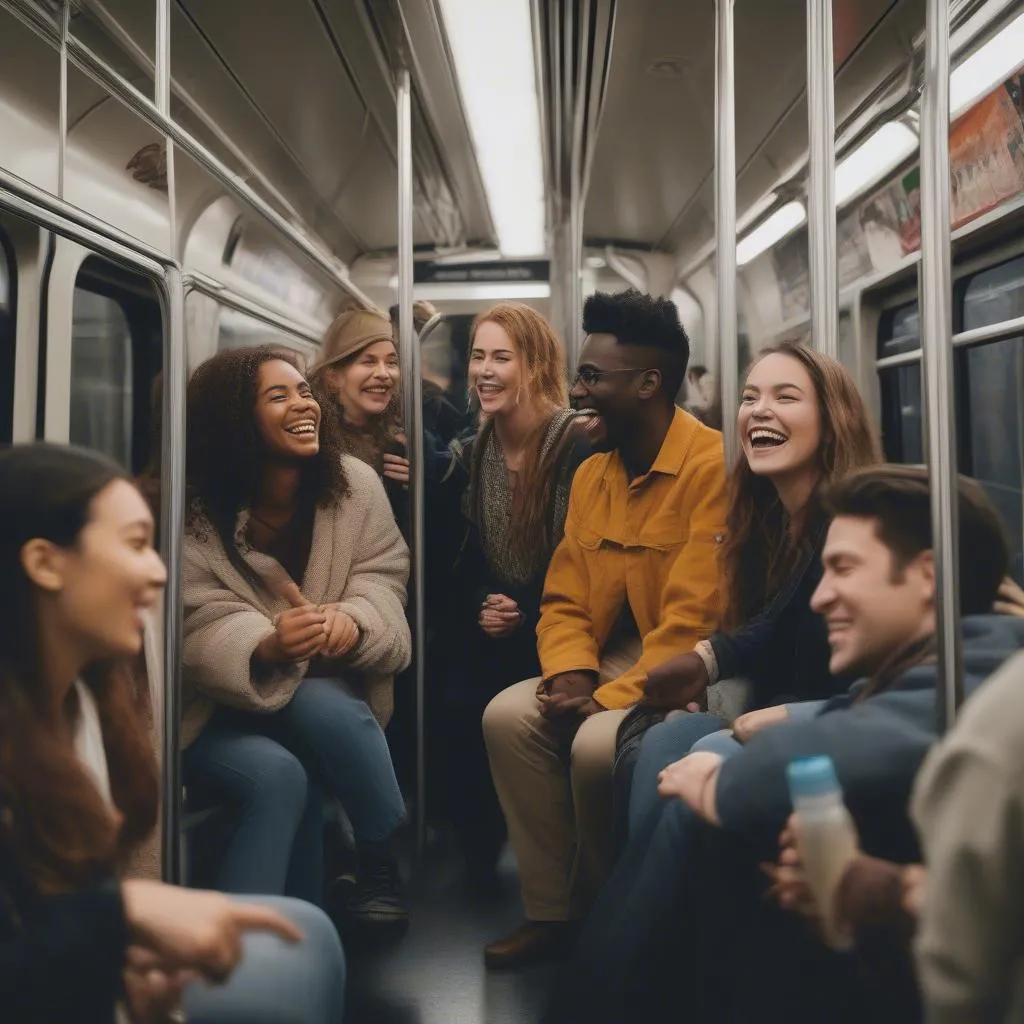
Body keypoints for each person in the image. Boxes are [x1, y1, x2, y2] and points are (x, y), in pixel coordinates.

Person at [545, 464, 1016, 1023]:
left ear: (927, 576)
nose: (821, 599)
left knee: (709, 820)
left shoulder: (984, 668)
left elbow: (843, 747)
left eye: (843, 569)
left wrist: (722, 784)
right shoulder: (943, 657)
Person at [0, 442, 345, 1024]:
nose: (159, 571)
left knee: (308, 931)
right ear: (45, 563)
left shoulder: (81, 706)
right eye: (136, 545)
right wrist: (118, 920)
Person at [482, 288, 728, 968]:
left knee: (594, 744)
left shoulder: (711, 470)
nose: (578, 390)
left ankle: (616, 914)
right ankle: (554, 911)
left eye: (593, 376)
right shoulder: (594, 475)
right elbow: (564, 596)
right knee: (507, 717)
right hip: (617, 656)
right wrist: (570, 671)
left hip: (696, 661)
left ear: (649, 384)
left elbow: (693, 620)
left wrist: (605, 701)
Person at [180, 346, 412, 934]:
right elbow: (189, 619)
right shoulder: (193, 510)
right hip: (216, 714)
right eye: (278, 396)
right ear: (236, 419)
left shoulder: (353, 485)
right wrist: (264, 645)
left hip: (318, 691)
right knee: (289, 760)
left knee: (318, 709)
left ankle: (360, 864)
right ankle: (241, 950)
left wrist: (354, 619)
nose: (302, 405)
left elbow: (384, 574)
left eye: (304, 392)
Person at [616, 343, 882, 840]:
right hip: (768, 701)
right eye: (749, 397)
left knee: (697, 760)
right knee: (663, 739)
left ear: (832, 419)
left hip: (836, 716)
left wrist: (707, 663)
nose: (760, 409)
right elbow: (761, 628)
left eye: (785, 397)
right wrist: (707, 675)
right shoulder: (761, 523)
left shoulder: (853, 525)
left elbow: (789, 623)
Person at [429, 302, 590, 883]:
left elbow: (584, 555)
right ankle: (477, 851)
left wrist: (525, 607)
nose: (485, 370)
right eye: (477, 356)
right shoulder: (476, 451)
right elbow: (470, 556)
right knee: (453, 694)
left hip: (571, 621)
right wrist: (486, 602)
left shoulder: (578, 443)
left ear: (535, 365)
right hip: (505, 617)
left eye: (502, 357)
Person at [309, 307, 412, 531]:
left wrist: (417, 488)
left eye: (392, 362)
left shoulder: (402, 437)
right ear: (333, 377)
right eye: (369, 361)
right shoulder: (314, 441)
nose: (384, 373)